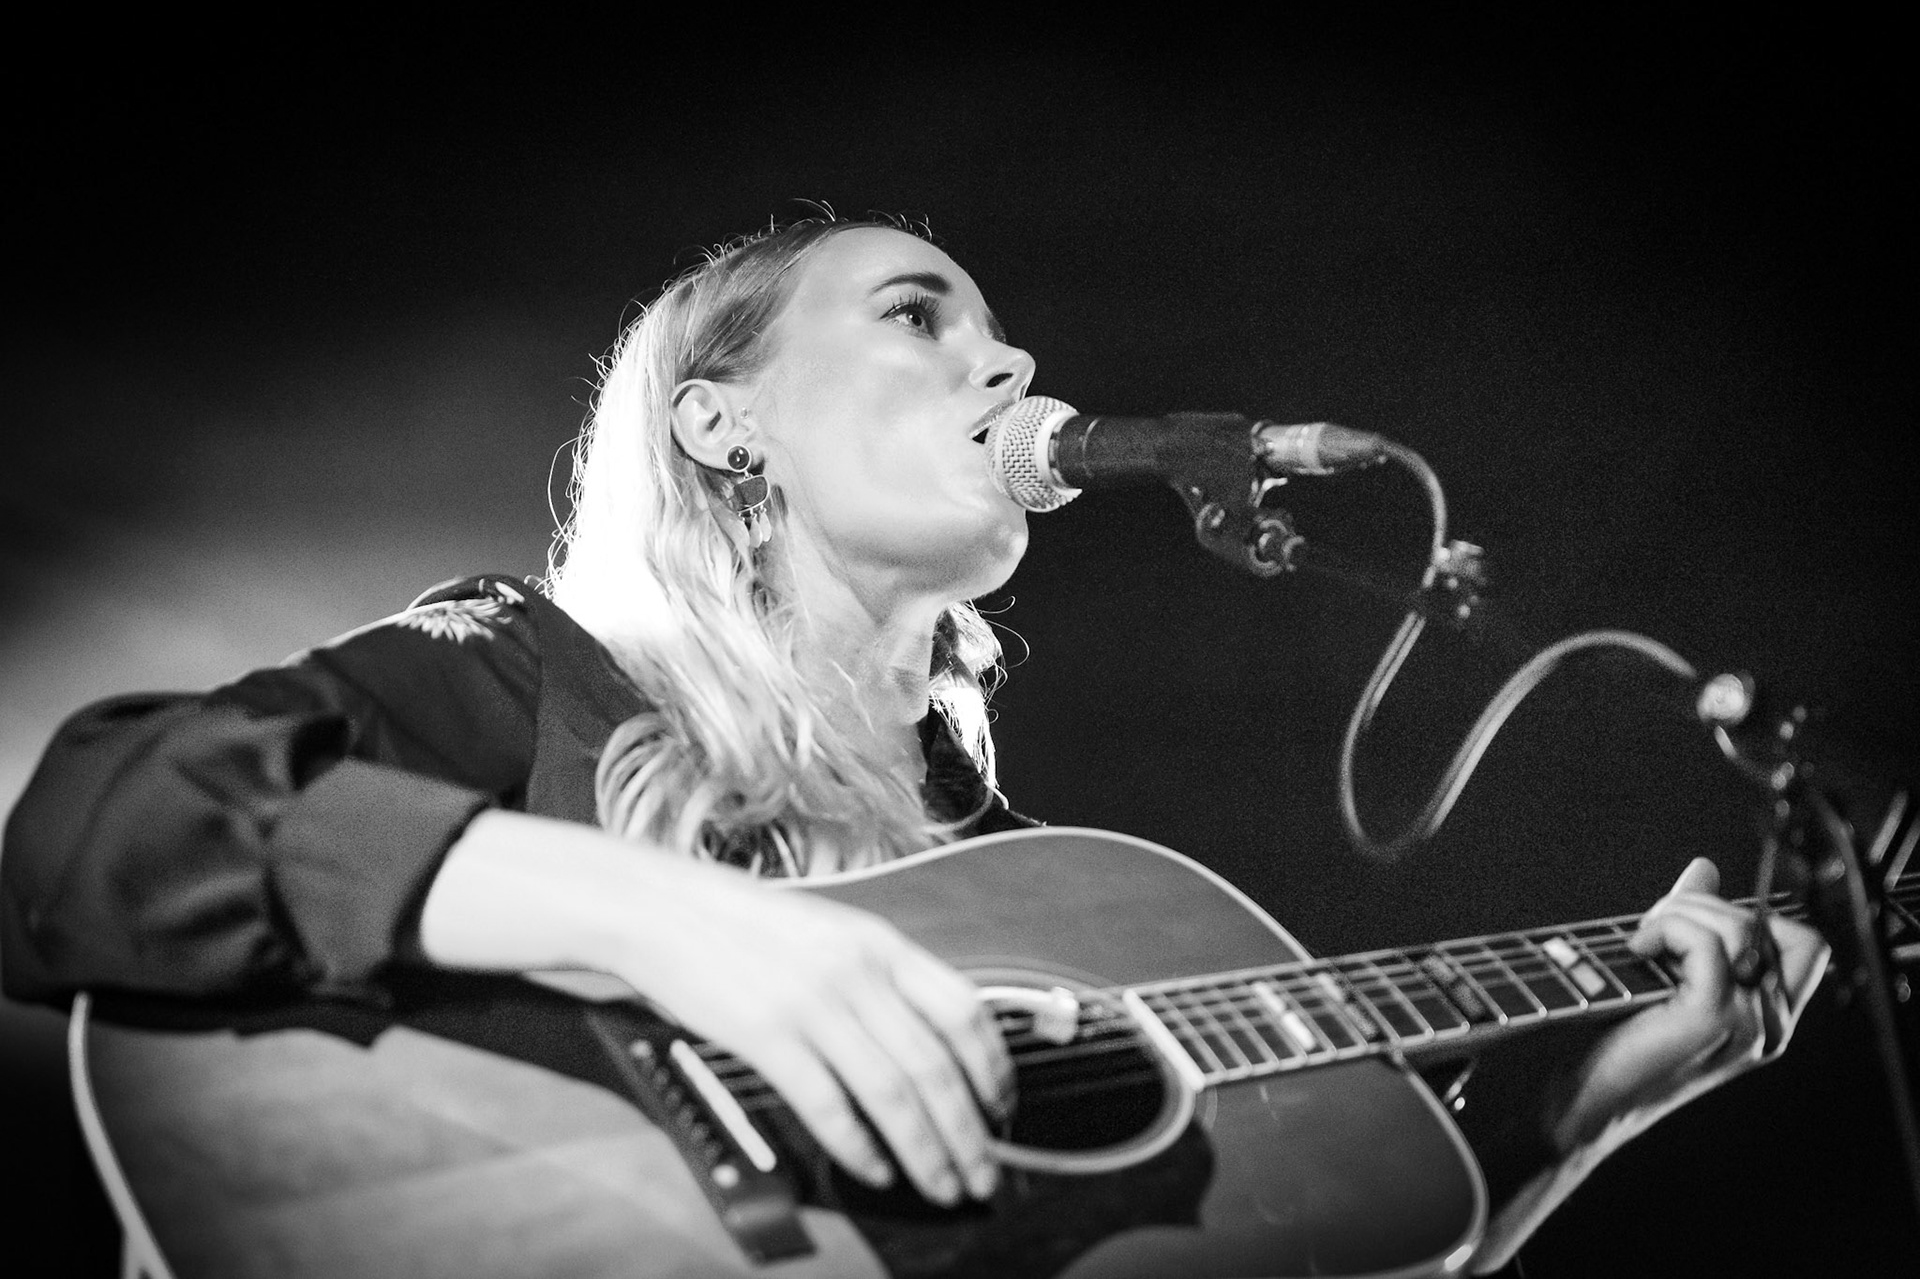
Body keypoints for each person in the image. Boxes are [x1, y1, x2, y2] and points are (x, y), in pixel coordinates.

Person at [0, 216, 1826, 1272]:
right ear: (722, 429)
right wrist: (663, 922)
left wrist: (1586, 1106)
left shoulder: (1039, 886)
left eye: (1004, 336)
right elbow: (85, 831)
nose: (1014, 367)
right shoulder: (521, 673)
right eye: (916, 317)